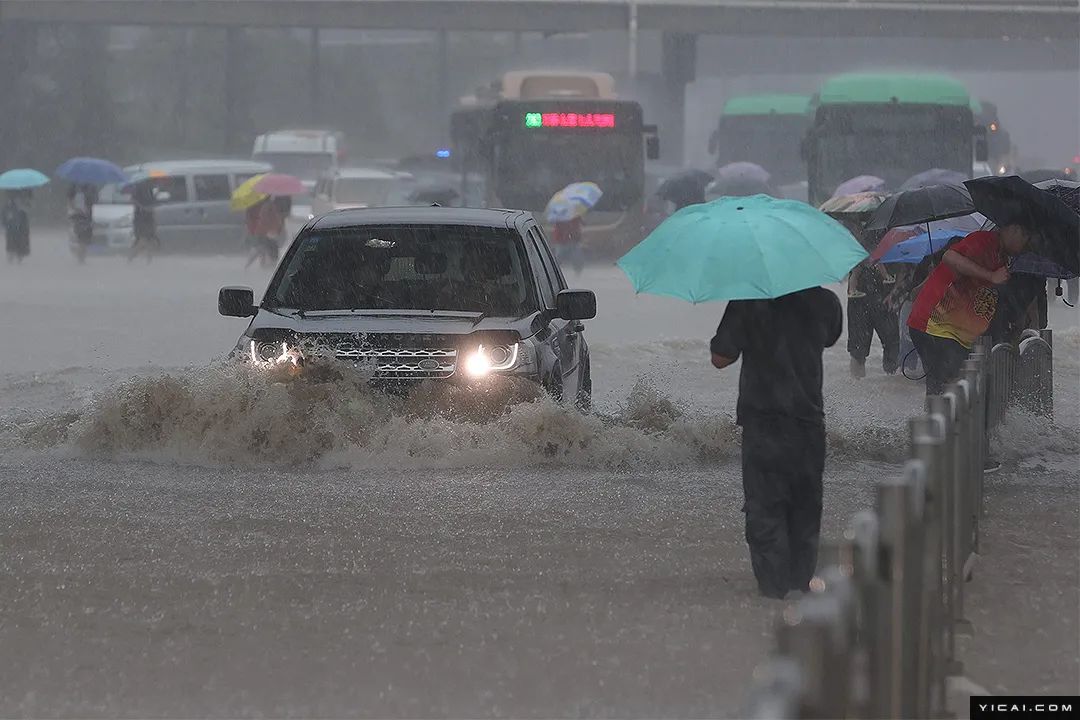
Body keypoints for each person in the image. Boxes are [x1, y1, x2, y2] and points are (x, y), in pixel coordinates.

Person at [710, 286, 843, 599]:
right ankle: (800, 591)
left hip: (763, 425)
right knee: (806, 509)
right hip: (809, 424)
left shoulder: (748, 299)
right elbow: (830, 337)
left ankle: (772, 595)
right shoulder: (825, 301)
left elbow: (720, 357)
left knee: (765, 509)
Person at [907, 222, 1032, 394]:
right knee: (948, 385)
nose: (1026, 243)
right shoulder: (984, 241)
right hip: (935, 325)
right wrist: (990, 275)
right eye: (1024, 236)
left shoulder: (1002, 257)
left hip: (956, 333)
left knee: (952, 386)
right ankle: (936, 418)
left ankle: (939, 417)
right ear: (1011, 229)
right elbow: (950, 257)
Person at [128, 181, 160, 263]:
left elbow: (153, 202)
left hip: (149, 217)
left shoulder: (150, 190)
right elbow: (132, 200)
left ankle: (149, 260)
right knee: (143, 240)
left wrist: (154, 201)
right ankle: (132, 255)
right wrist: (142, 207)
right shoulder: (138, 188)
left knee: (150, 239)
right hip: (140, 218)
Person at [67, 184, 97, 264]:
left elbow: (94, 201)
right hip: (79, 217)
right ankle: (80, 258)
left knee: (86, 239)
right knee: (82, 238)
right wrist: (77, 209)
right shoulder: (74, 186)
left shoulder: (91, 187)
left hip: (87, 217)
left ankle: (81, 257)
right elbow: (70, 201)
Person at [2, 189, 31, 263]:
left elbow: (25, 217)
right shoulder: (8, 206)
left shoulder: (23, 205)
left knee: (19, 242)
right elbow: (4, 217)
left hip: (20, 228)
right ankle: (11, 257)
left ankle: (19, 256)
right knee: (11, 243)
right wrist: (7, 220)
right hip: (11, 228)